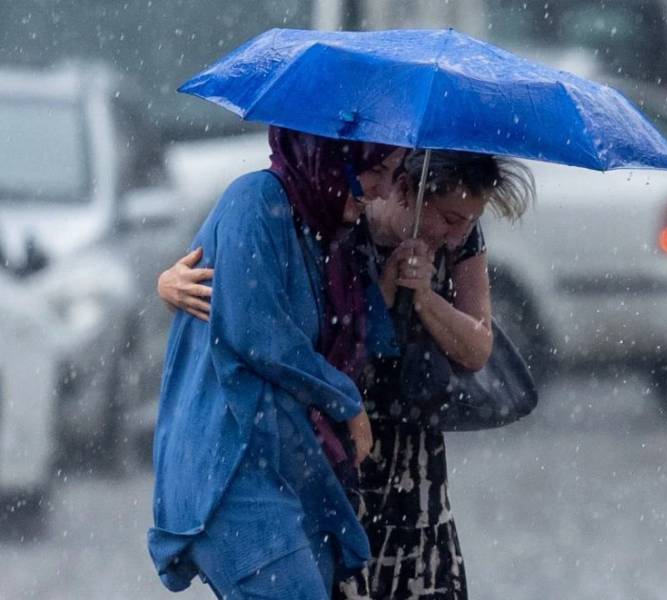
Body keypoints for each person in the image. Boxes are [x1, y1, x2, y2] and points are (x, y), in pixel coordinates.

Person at [159, 149, 535, 600]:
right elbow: (260, 308)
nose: (457, 236)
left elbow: (478, 347)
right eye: (450, 218)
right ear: (407, 192)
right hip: (335, 445)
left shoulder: (459, 244)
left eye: (469, 223)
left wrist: (425, 300)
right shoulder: (339, 215)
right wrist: (167, 286)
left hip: (410, 452)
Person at [148, 125, 404, 600]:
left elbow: (360, 336)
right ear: (332, 157)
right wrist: (345, 401)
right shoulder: (255, 201)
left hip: (287, 469)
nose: (386, 190)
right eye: (377, 170)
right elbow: (257, 331)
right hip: (230, 473)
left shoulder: (325, 231)